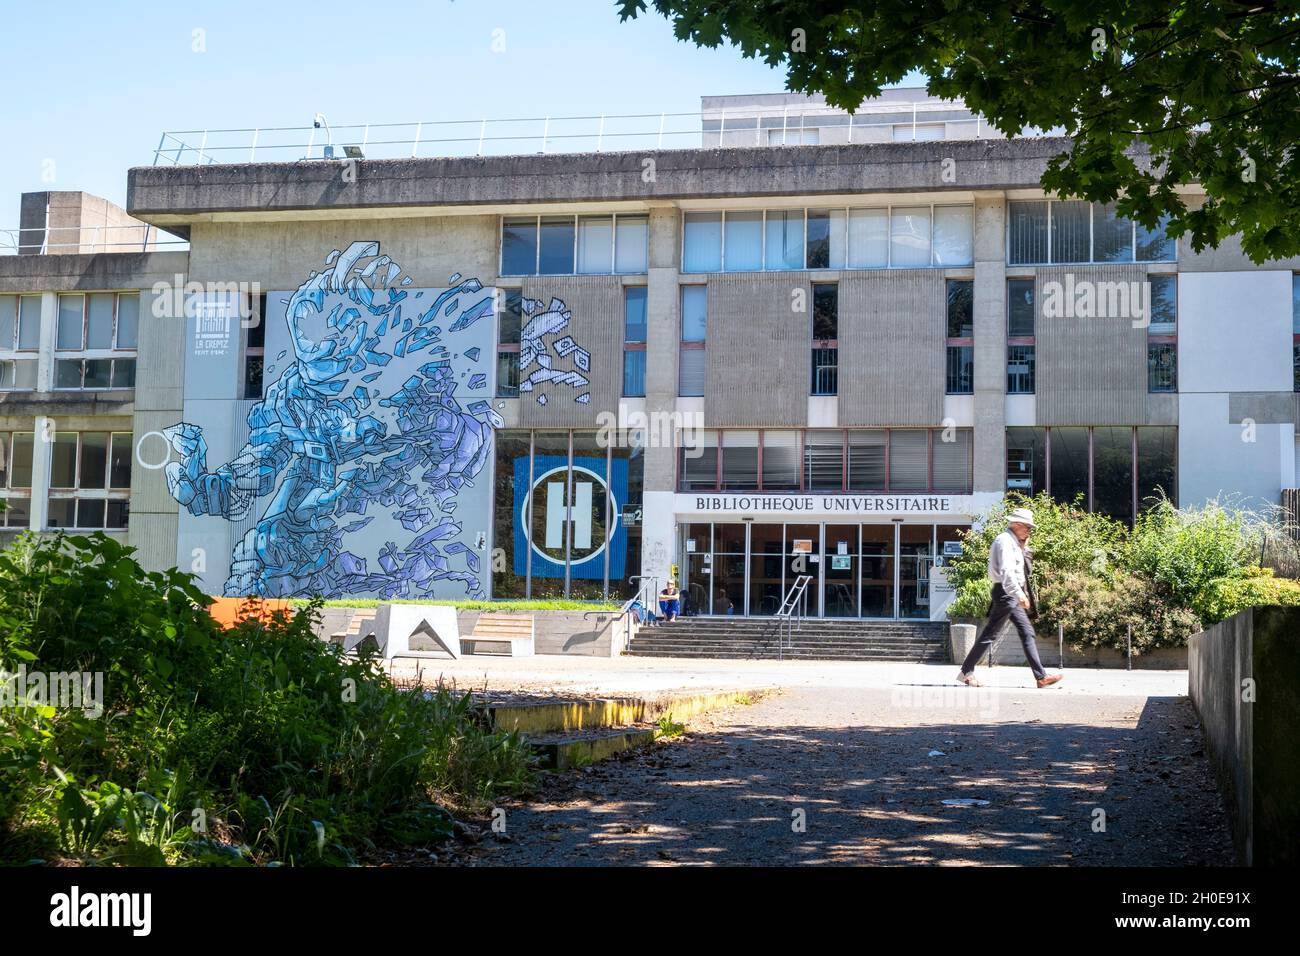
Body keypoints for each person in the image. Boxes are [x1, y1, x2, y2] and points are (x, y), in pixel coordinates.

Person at [957, 508, 1063, 688]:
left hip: (1009, 594)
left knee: (1026, 631)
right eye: (1028, 527)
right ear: (1017, 524)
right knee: (992, 634)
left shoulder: (1014, 542)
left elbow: (1023, 568)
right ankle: (966, 671)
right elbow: (1007, 572)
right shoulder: (1004, 541)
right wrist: (1019, 593)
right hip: (1007, 593)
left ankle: (1041, 677)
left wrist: (1023, 547)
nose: (1030, 530)